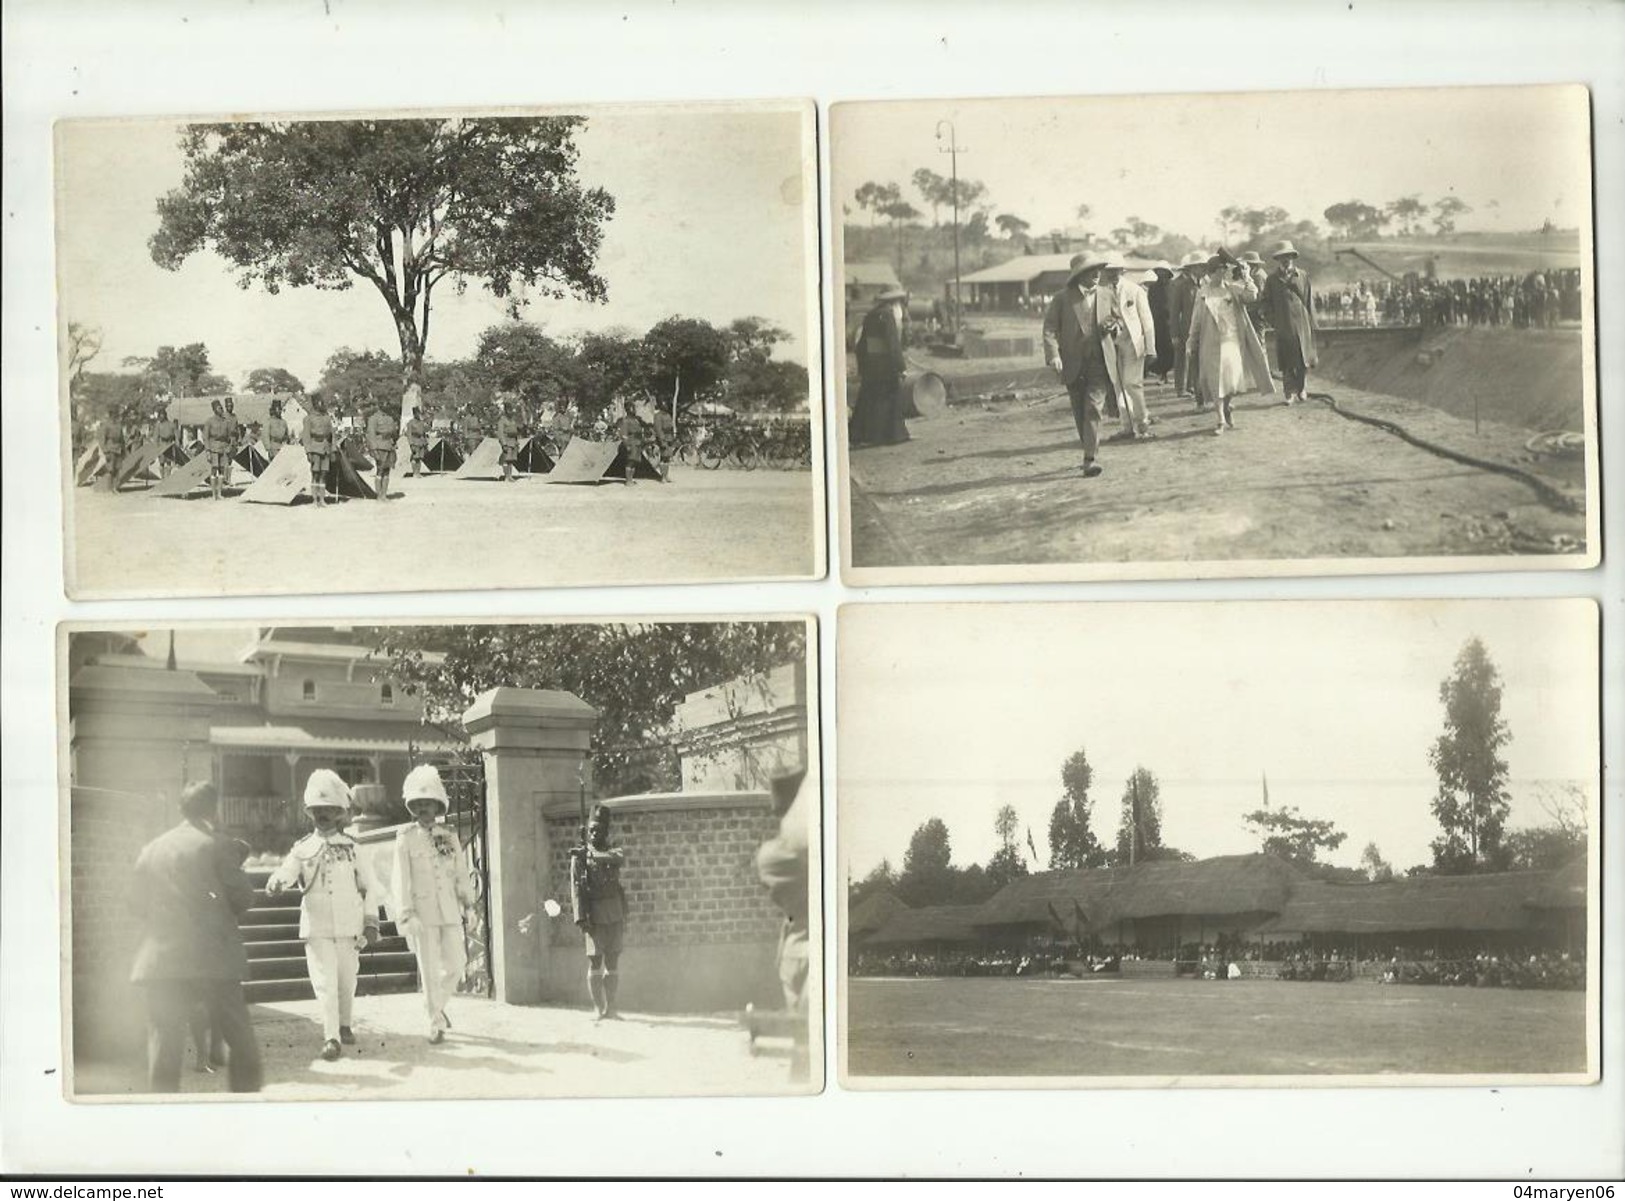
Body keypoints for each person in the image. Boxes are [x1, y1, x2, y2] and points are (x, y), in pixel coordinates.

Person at [129, 781, 263, 1093]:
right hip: (212, 958)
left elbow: (134, 902)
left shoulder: (152, 848)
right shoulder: (218, 844)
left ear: (180, 809)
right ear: (214, 810)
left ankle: (163, 1121)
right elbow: (244, 897)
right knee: (241, 1043)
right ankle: (249, 1117)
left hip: (160, 960)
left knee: (164, 1048)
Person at [265, 770, 382, 1062]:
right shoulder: (303, 848)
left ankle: (344, 1024)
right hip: (317, 926)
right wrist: (276, 882)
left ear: (341, 813)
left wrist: (371, 922)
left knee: (347, 981)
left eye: (329, 810)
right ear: (310, 813)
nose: (323, 815)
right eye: (317, 810)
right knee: (325, 983)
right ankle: (331, 1037)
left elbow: (369, 888)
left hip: (349, 925)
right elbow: (287, 872)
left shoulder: (354, 848)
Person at [390, 764, 475, 1045]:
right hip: (422, 913)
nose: (424, 808)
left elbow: (461, 873)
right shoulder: (405, 838)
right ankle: (435, 1022)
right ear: (412, 807)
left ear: (438, 805)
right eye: (418, 804)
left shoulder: (448, 835)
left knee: (457, 963)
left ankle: (436, 1005)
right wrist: (406, 913)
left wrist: (469, 904)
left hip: (449, 909)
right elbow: (400, 880)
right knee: (428, 967)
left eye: (428, 803)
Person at [755, 767, 811, 1078]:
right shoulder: (780, 855)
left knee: (804, 1045)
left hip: (794, 951)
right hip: (806, 949)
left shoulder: (773, 854)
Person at [1042, 255, 1118, 477]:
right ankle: (1089, 447)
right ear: (1078, 275)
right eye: (1091, 271)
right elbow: (1049, 329)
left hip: (1099, 362)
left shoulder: (1106, 294)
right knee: (1079, 411)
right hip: (1072, 364)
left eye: (1098, 270)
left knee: (1094, 407)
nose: (1096, 275)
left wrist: (1113, 327)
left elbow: (1118, 319)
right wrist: (1053, 355)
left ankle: (1090, 459)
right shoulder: (1062, 300)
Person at [1186, 251, 1275, 434]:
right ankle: (1220, 420)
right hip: (1210, 344)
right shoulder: (1202, 294)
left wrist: (1246, 275)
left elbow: (1252, 295)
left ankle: (1227, 406)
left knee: (1231, 382)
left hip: (1232, 342)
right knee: (1215, 380)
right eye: (1219, 270)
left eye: (1224, 270)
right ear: (1210, 273)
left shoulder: (1232, 289)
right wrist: (1191, 342)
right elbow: (1196, 320)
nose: (1222, 273)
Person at [570, 804, 628, 1020]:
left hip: (615, 913)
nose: (595, 833)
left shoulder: (613, 851)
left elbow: (617, 858)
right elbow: (576, 888)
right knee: (595, 961)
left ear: (606, 832)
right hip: (593, 915)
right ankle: (597, 1008)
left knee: (613, 960)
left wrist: (591, 855)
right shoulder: (579, 857)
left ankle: (611, 1008)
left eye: (599, 830)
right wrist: (580, 917)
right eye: (592, 830)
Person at [1101, 260, 1158, 441]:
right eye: (1109, 270)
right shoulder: (1100, 292)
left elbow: (1147, 320)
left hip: (1133, 343)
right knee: (1118, 385)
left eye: (1115, 270)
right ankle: (1126, 427)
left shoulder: (1135, 290)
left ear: (1122, 270)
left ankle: (1142, 425)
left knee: (1132, 384)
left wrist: (1151, 348)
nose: (1112, 274)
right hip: (1112, 343)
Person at [848, 287, 910, 447]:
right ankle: (893, 435)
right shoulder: (888, 316)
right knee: (890, 399)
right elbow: (893, 344)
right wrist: (900, 366)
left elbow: (861, 345)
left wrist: (863, 367)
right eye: (899, 302)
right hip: (886, 365)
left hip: (871, 365)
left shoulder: (871, 315)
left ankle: (861, 434)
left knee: (869, 400)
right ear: (894, 302)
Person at [1262, 240, 1318, 404]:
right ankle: (1289, 392)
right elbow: (1266, 303)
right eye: (1282, 257)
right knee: (1287, 361)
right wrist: (1274, 321)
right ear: (1278, 259)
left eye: (1288, 256)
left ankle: (1301, 389)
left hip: (1302, 323)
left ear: (1293, 257)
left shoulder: (1302, 276)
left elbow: (1308, 300)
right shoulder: (1272, 279)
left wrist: (1311, 322)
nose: (1285, 260)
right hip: (1283, 324)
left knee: (1302, 359)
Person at [1169, 252, 1205, 399]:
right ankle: (1181, 388)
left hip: (1201, 328)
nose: (1203, 270)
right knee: (1182, 358)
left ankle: (1193, 387)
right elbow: (1174, 312)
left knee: (1197, 358)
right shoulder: (1181, 286)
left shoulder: (1205, 284)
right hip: (1185, 329)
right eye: (1200, 267)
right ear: (1192, 268)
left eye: (1204, 267)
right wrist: (1174, 334)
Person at [302, 395, 336, 506]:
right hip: (315, 448)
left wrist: (333, 450)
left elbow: (332, 435)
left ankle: (322, 499)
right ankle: (314, 500)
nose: (321, 404)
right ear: (315, 404)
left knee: (324, 474)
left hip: (326, 447)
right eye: (319, 402)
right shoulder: (308, 418)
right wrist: (308, 452)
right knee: (315, 474)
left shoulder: (327, 418)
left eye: (322, 402)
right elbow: (306, 436)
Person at [365, 401, 398, 501]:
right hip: (379, 446)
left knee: (387, 471)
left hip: (389, 446)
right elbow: (371, 434)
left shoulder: (390, 418)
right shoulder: (373, 418)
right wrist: (373, 449)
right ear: (379, 405)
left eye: (387, 403)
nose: (386, 405)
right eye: (384, 403)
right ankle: (379, 495)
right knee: (380, 470)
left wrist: (394, 443)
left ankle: (384, 494)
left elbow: (394, 433)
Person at [202, 399, 235, 500]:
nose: (221, 409)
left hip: (224, 448)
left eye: (221, 408)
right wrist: (207, 451)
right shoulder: (209, 421)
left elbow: (229, 436)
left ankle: (220, 493)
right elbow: (205, 437)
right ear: (214, 410)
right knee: (214, 469)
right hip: (213, 448)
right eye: (219, 408)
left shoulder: (226, 421)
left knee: (222, 470)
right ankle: (213, 494)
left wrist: (229, 446)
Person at [616, 399, 645, 486]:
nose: (634, 410)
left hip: (637, 442)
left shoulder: (636, 420)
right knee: (630, 461)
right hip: (631, 442)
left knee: (635, 461)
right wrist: (627, 445)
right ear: (628, 409)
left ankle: (631, 479)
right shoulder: (626, 421)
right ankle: (628, 480)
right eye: (633, 408)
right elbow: (623, 434)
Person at [495, 402, 521, 483]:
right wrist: (504, 444)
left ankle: (510, 476)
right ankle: (506, 476)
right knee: (506, 460)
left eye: (511, 410)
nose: (511, 412)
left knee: (511, 460)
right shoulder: (502, 420)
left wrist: (517, 442)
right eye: (509, 410)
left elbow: (516, 430)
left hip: (513, 441)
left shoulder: (513, 420)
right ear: (506, 411)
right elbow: (500, 433)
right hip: (507, 441)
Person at [152, 403, 180, 479]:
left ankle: (168, 478)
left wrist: (177, 444)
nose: (161, 416)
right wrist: (156, 448)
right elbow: (156, 437)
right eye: (160, 415)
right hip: (161, 445)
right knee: (161, 463)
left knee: (169, 462)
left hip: (169, 445)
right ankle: (162, 478)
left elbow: (176, 435)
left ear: (165, 415)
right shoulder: (158, 425)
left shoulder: (171, 424)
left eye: (162, 414)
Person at [652, 404, 677, 483]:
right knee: (663, 457)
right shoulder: (658, 416)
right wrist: (662, 441)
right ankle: (662, 476)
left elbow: (671, 427)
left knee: (667, 457)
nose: (666, 406)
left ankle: (666, 475)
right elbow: (658, 429)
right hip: (663, 438)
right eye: (664, 404)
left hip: (669, 437)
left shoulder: (668, 414)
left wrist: (673, 437)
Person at [404, 406, 429, 477]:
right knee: (415, 457)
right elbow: (409, 434)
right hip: (415, 441)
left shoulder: (421, 422)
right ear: (414, 414)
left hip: (421, 441)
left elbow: (426, 431)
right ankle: (415, 472)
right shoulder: (410, 423)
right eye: (417, 414)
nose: (419, 415)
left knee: (420, 458)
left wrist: (425, 442)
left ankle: (418, 472)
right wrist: (411, 443)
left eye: (419, 413)